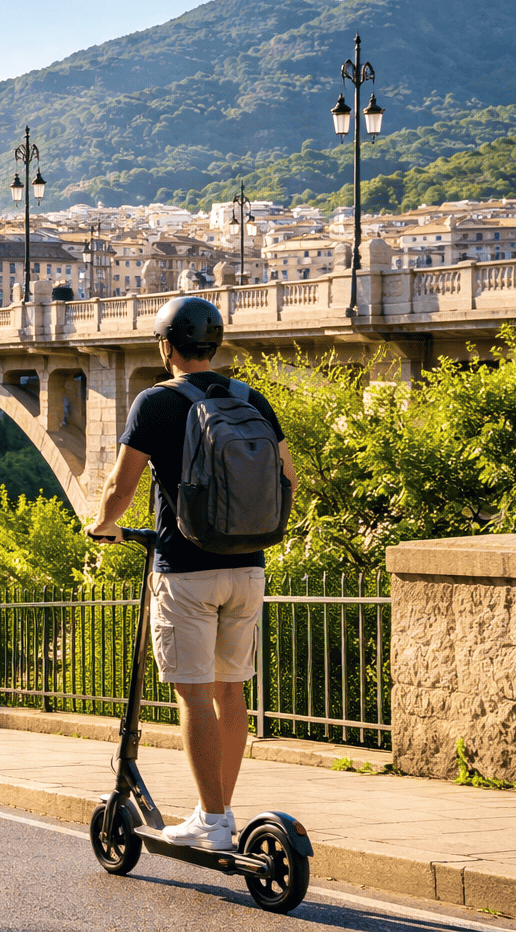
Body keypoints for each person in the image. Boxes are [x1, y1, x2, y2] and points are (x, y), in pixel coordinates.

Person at [85, 296, 297, 851]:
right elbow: (288, 479)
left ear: (165, 346)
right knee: (232, 692)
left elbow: (121, 487)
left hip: (186, 570)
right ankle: (220, 811)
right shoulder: (253, 400)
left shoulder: (156, 402)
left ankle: (211, 819)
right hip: (248, 567)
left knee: (194, 693)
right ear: (214, 345)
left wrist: (105, 526)